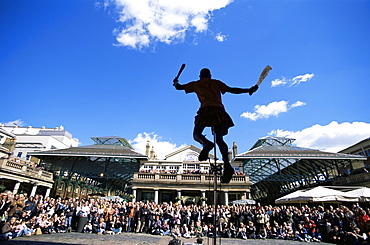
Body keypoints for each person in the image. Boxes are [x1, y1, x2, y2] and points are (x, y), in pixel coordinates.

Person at [173, 68, 258, 183]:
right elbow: (232, 90)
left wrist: (176, 82)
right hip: (218, 111)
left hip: (205, 110)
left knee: (197, 134)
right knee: (219, 139)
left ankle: (206, 143)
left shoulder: (195, 84)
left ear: (200, 76)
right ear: (210, 76)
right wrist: (248, 90)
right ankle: (227, 165)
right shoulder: (216, 82)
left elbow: (179, 87)